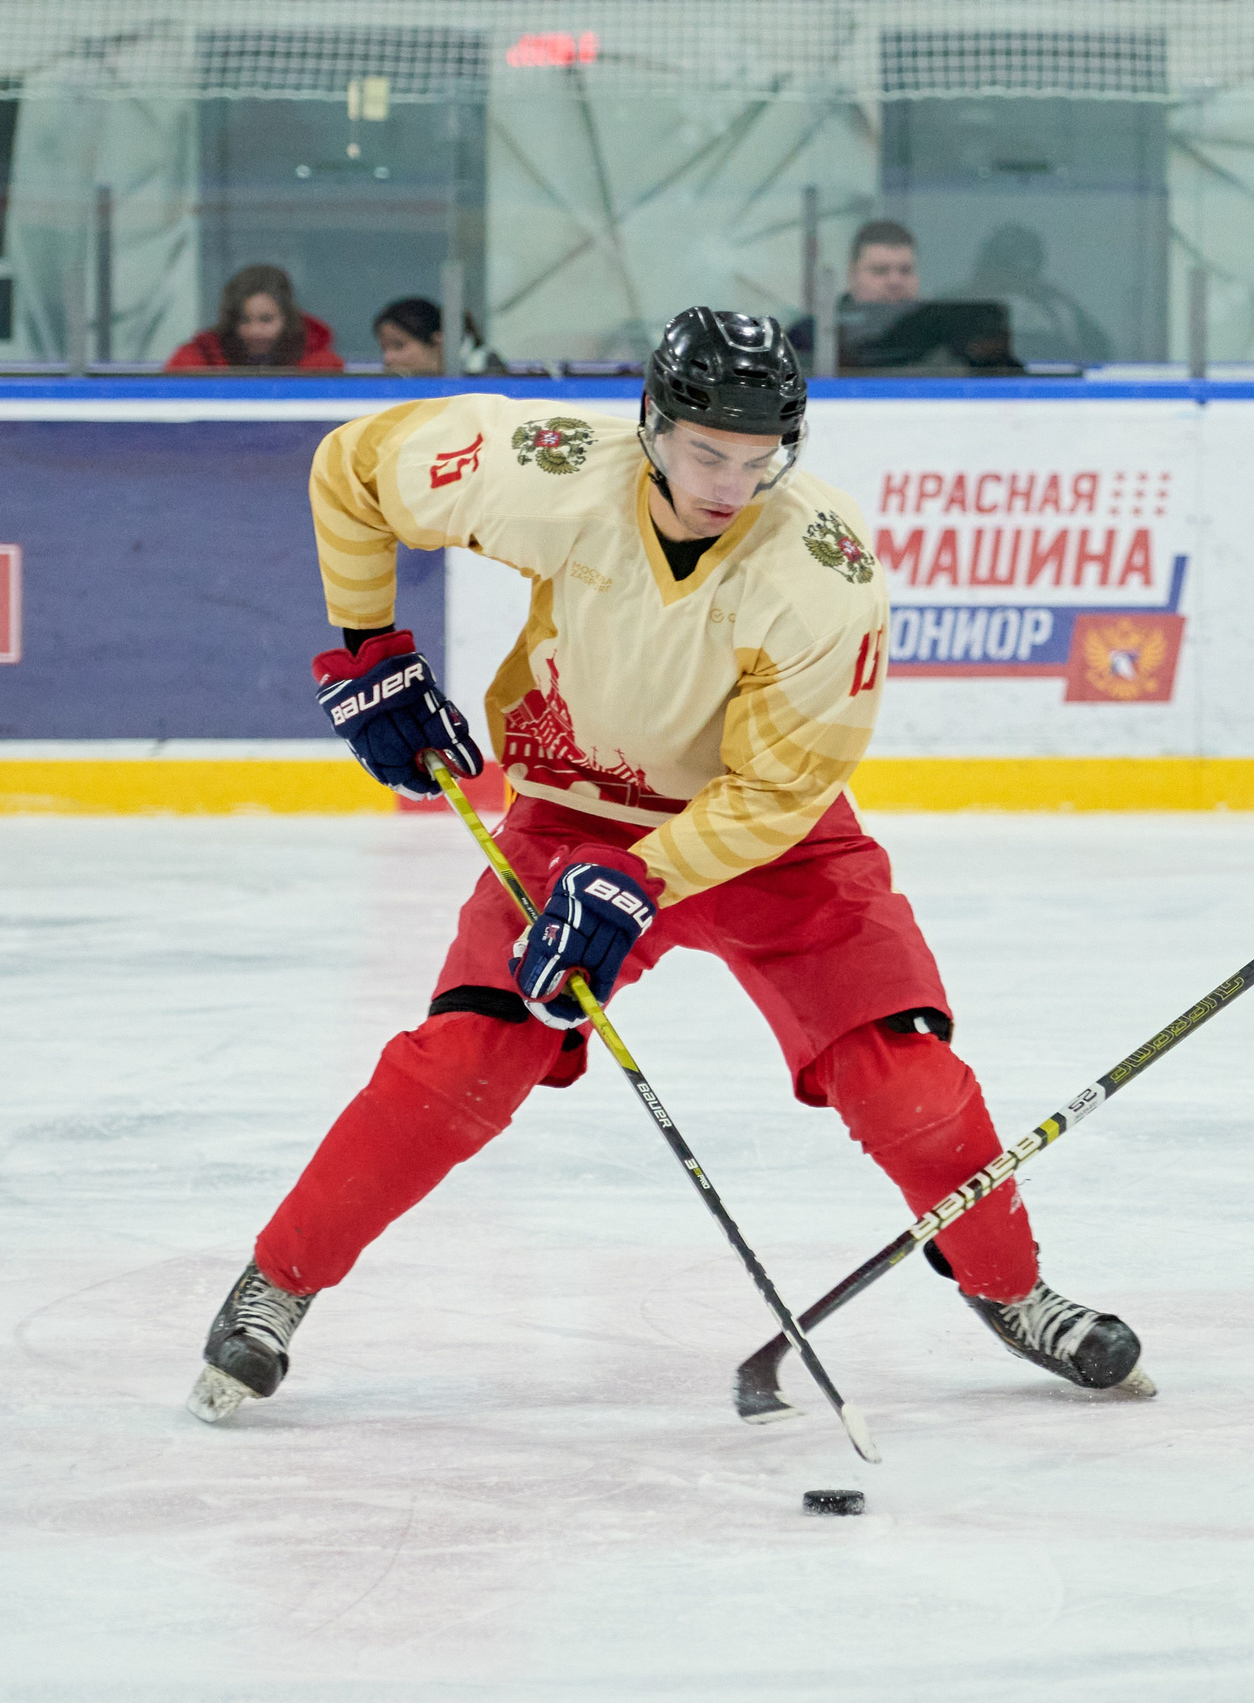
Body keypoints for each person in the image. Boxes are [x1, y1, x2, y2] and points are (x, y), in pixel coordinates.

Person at [186, 306, 1151, 1422]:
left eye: (760, 459)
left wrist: (644, 879)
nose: (731, 483)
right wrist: (369, 649)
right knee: (464, 1062)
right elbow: (350, 468)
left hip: (767, 843)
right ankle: (278, 1283)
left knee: (911, 1086)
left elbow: (782, 792)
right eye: (706, 452)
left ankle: (1009, 1283)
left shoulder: (824, 573)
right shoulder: (547, 472)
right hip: (571, 819)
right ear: (652, 424)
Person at [955, 223, 1111, 367]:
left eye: (1020, 273)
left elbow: (1098, 359)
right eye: (1002, 267)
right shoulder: (953, 305)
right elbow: (936, 363)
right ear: (984, 268)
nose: (1011, 281)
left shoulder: (1058, 307)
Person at [165, 264, 345, 371]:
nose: (255, 331)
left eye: (266, 319)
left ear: (288, 317)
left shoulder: (320, 365)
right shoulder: (199, 359)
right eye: (244, 320)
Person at [786, 219, 920, 355]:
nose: (895, 281)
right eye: (880, 270)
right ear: (852, 274)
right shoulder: (807, 338)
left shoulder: (935, 335)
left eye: (905, 270)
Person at [374, 296, 508, 377]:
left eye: (399, 346)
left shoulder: (486, 373)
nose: (388, 359)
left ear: (437, 342)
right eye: (384, 349)